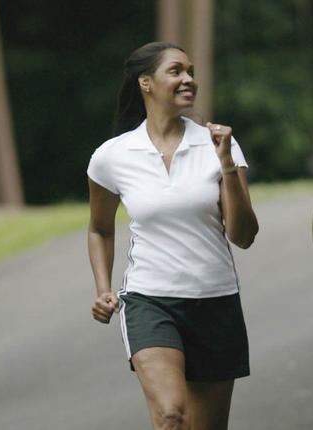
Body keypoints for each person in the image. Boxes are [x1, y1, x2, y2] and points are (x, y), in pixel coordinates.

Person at [87, 41, 258, 430]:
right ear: (145, 83)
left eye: (191, 72)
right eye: (176, 71)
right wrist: (102, 287)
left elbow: (244, 235)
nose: (189, 79)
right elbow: (99, 228)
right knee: (170, 415)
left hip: (216, 303)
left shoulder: (218, 146)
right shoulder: (113, 155)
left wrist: (227, 163)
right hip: (150, 301)